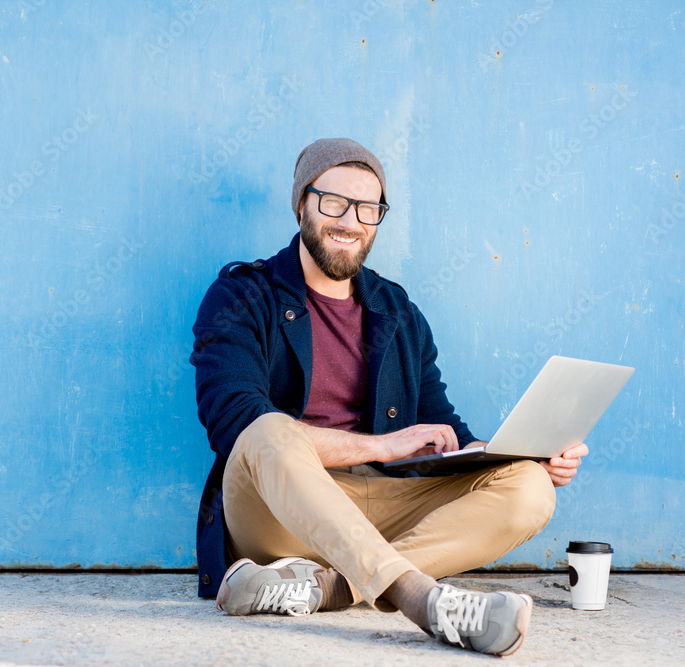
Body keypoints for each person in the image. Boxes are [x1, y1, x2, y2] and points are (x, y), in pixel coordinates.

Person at [189, 137, 588, 656]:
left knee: (531, 488)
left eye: (369, 209)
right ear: (302, 203)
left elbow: (445, 432)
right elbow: (233, 423)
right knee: (265, 430)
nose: (350, 222)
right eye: (334, 202)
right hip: (278, 510)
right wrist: (382, 446)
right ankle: (422, 599)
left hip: (379, 507)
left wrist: (524, 452)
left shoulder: (396, 311)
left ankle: (330, 587)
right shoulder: (242, 295)